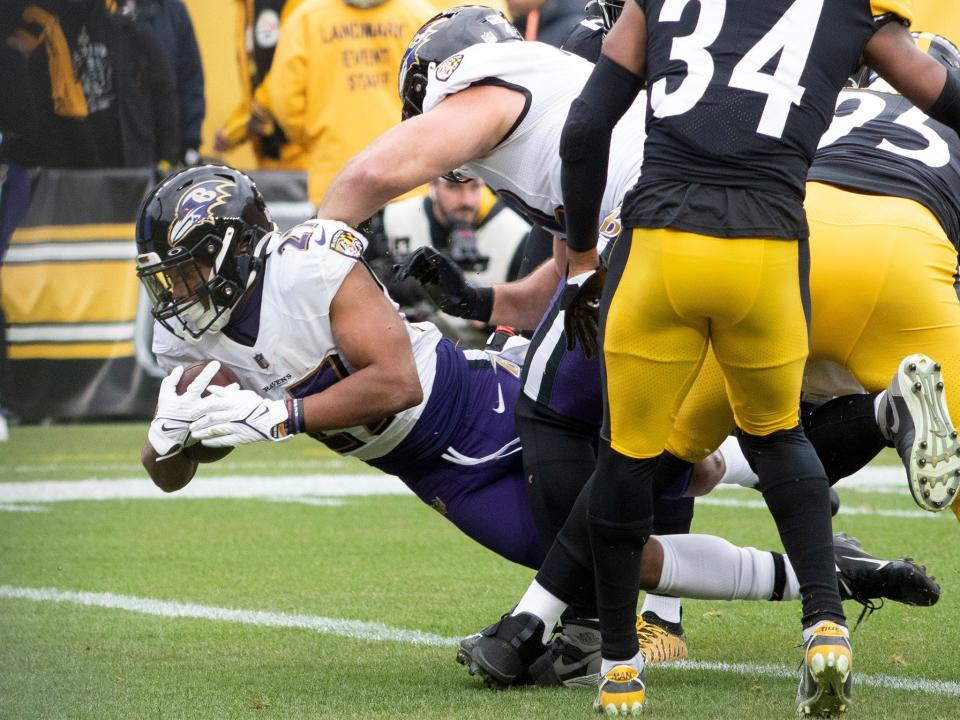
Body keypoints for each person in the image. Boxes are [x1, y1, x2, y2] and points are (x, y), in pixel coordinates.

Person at [135, 165, 940, 688]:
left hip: (476, 405)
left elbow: (396, 377)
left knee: (649, 489)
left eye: (191, 267)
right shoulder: (190, 332)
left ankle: (848, 437)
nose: (179, 290)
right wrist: (169, 445)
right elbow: (170, 465)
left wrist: (280, 415)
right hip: (433, 470)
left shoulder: (310, 268)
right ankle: (835, 574)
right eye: (168, 276)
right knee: (631, 557)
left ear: (241, 247)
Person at [501, 0, 960, 714]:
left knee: (629, 456)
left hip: (662, 245)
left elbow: (587, 126)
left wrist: (586, 260)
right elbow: (936, 89)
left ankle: (620, 667)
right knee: (779, 437)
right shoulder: (853, 11)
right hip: (771, 251)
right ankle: (825, 625)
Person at [267, 0, 436, 204]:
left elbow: (286, 102)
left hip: (336, 181)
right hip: (410, 180)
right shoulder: (421, 17)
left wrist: (319, 143)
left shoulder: (306, 19)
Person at [4, 0, 179, 170]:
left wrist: (166, 159)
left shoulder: (130, 33)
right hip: (71, 171)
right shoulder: (47, 36)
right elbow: (37, 110)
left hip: (130, 170)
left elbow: (163, 93)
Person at [367, 176, 530, 342]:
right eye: (454, 187)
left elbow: (529, 320)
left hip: (476, 356)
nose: (467, 201)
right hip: (404, 346)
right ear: (432, 183)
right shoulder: (392, 218)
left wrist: (481, 308)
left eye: (475, 187)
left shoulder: (516, 235)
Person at [213, 0, 308, 169]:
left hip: (300, 151)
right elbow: (257, 82)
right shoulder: (247, 7)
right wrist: (233, 125)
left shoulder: (293, 5)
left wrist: (237, 128)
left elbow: (284, 76)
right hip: (269, 151)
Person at [127, 0, 206, 166]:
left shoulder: (173, 12)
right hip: (118, 152)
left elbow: (190, 80)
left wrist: (190, 141)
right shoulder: (102, 11)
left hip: (165, 148)